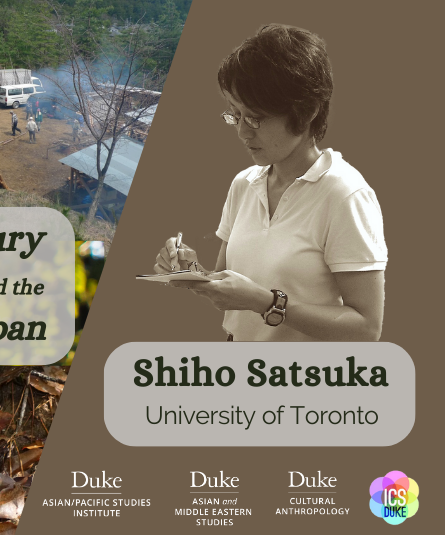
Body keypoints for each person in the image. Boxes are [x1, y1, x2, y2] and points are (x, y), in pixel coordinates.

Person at [153, 24, 386, 342]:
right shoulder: (244, 184)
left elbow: (366, 328)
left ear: (305, 112)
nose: (242, 132)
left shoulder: (345, 195)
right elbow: (226, 281)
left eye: (256, 118)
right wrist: (192, 271)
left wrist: (267, 303)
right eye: (235, 114)